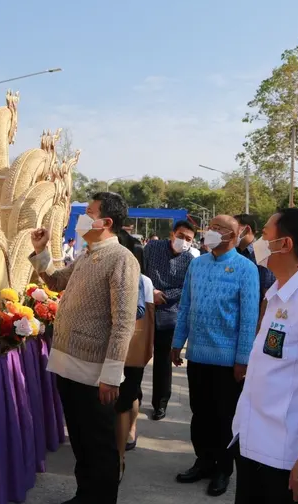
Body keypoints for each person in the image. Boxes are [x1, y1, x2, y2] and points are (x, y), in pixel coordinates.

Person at [28, 192, 140, 504]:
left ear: (105, 222)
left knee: (99, 444)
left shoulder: (121, 260)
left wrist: (111, 375)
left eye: (88, 212)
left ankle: (101, 498)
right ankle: (85, 495)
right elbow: (54, 282)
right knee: (80, 439)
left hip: (94, 373)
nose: (82, 217)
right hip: (68, 365)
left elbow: (123, 323)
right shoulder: (88, 255)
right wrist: (41, 251)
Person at [231, 208, 298, 504]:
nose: (257, 241)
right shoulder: (277, 289)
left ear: (285, 244)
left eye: (266, 235)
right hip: (253, 440)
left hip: (285, 453)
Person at [171, 215, 259, 497]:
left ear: (234, 237)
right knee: (200, 414)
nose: (212, 231)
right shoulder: (197, 264)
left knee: (225, 417)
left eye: (220, 229)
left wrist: (242, 359)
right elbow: (185, 305)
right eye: (212, 226)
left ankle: (223, 469)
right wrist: (177, 342)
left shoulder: (246, 269)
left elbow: (248, 318)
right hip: (198, 354)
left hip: (227, 360)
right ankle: (204, 461)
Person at [143, 220, 196, 421]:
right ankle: (133, 398)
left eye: (188, 239)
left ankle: (160, 403)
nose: (183, 241)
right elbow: (140, 272)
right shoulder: (152, 248)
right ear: (172, 234)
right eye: (181, 236)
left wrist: (163, 294)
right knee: (137, 357)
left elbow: (186, 288)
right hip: (145, 310)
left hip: (170, 314)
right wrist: (151, 292)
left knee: (163, 361)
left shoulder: (190, 260)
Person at [115, 230, 154, 478]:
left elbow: (141, 313)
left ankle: (121, 451)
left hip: (129, 348)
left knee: (126, 397)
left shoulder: (140, 280)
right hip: (113, 348)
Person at [234, 213, 277, 301]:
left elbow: (267, 292)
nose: (230, 233)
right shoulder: (233, 253)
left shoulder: (262, 254)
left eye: (233, 229)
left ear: (247, 229)